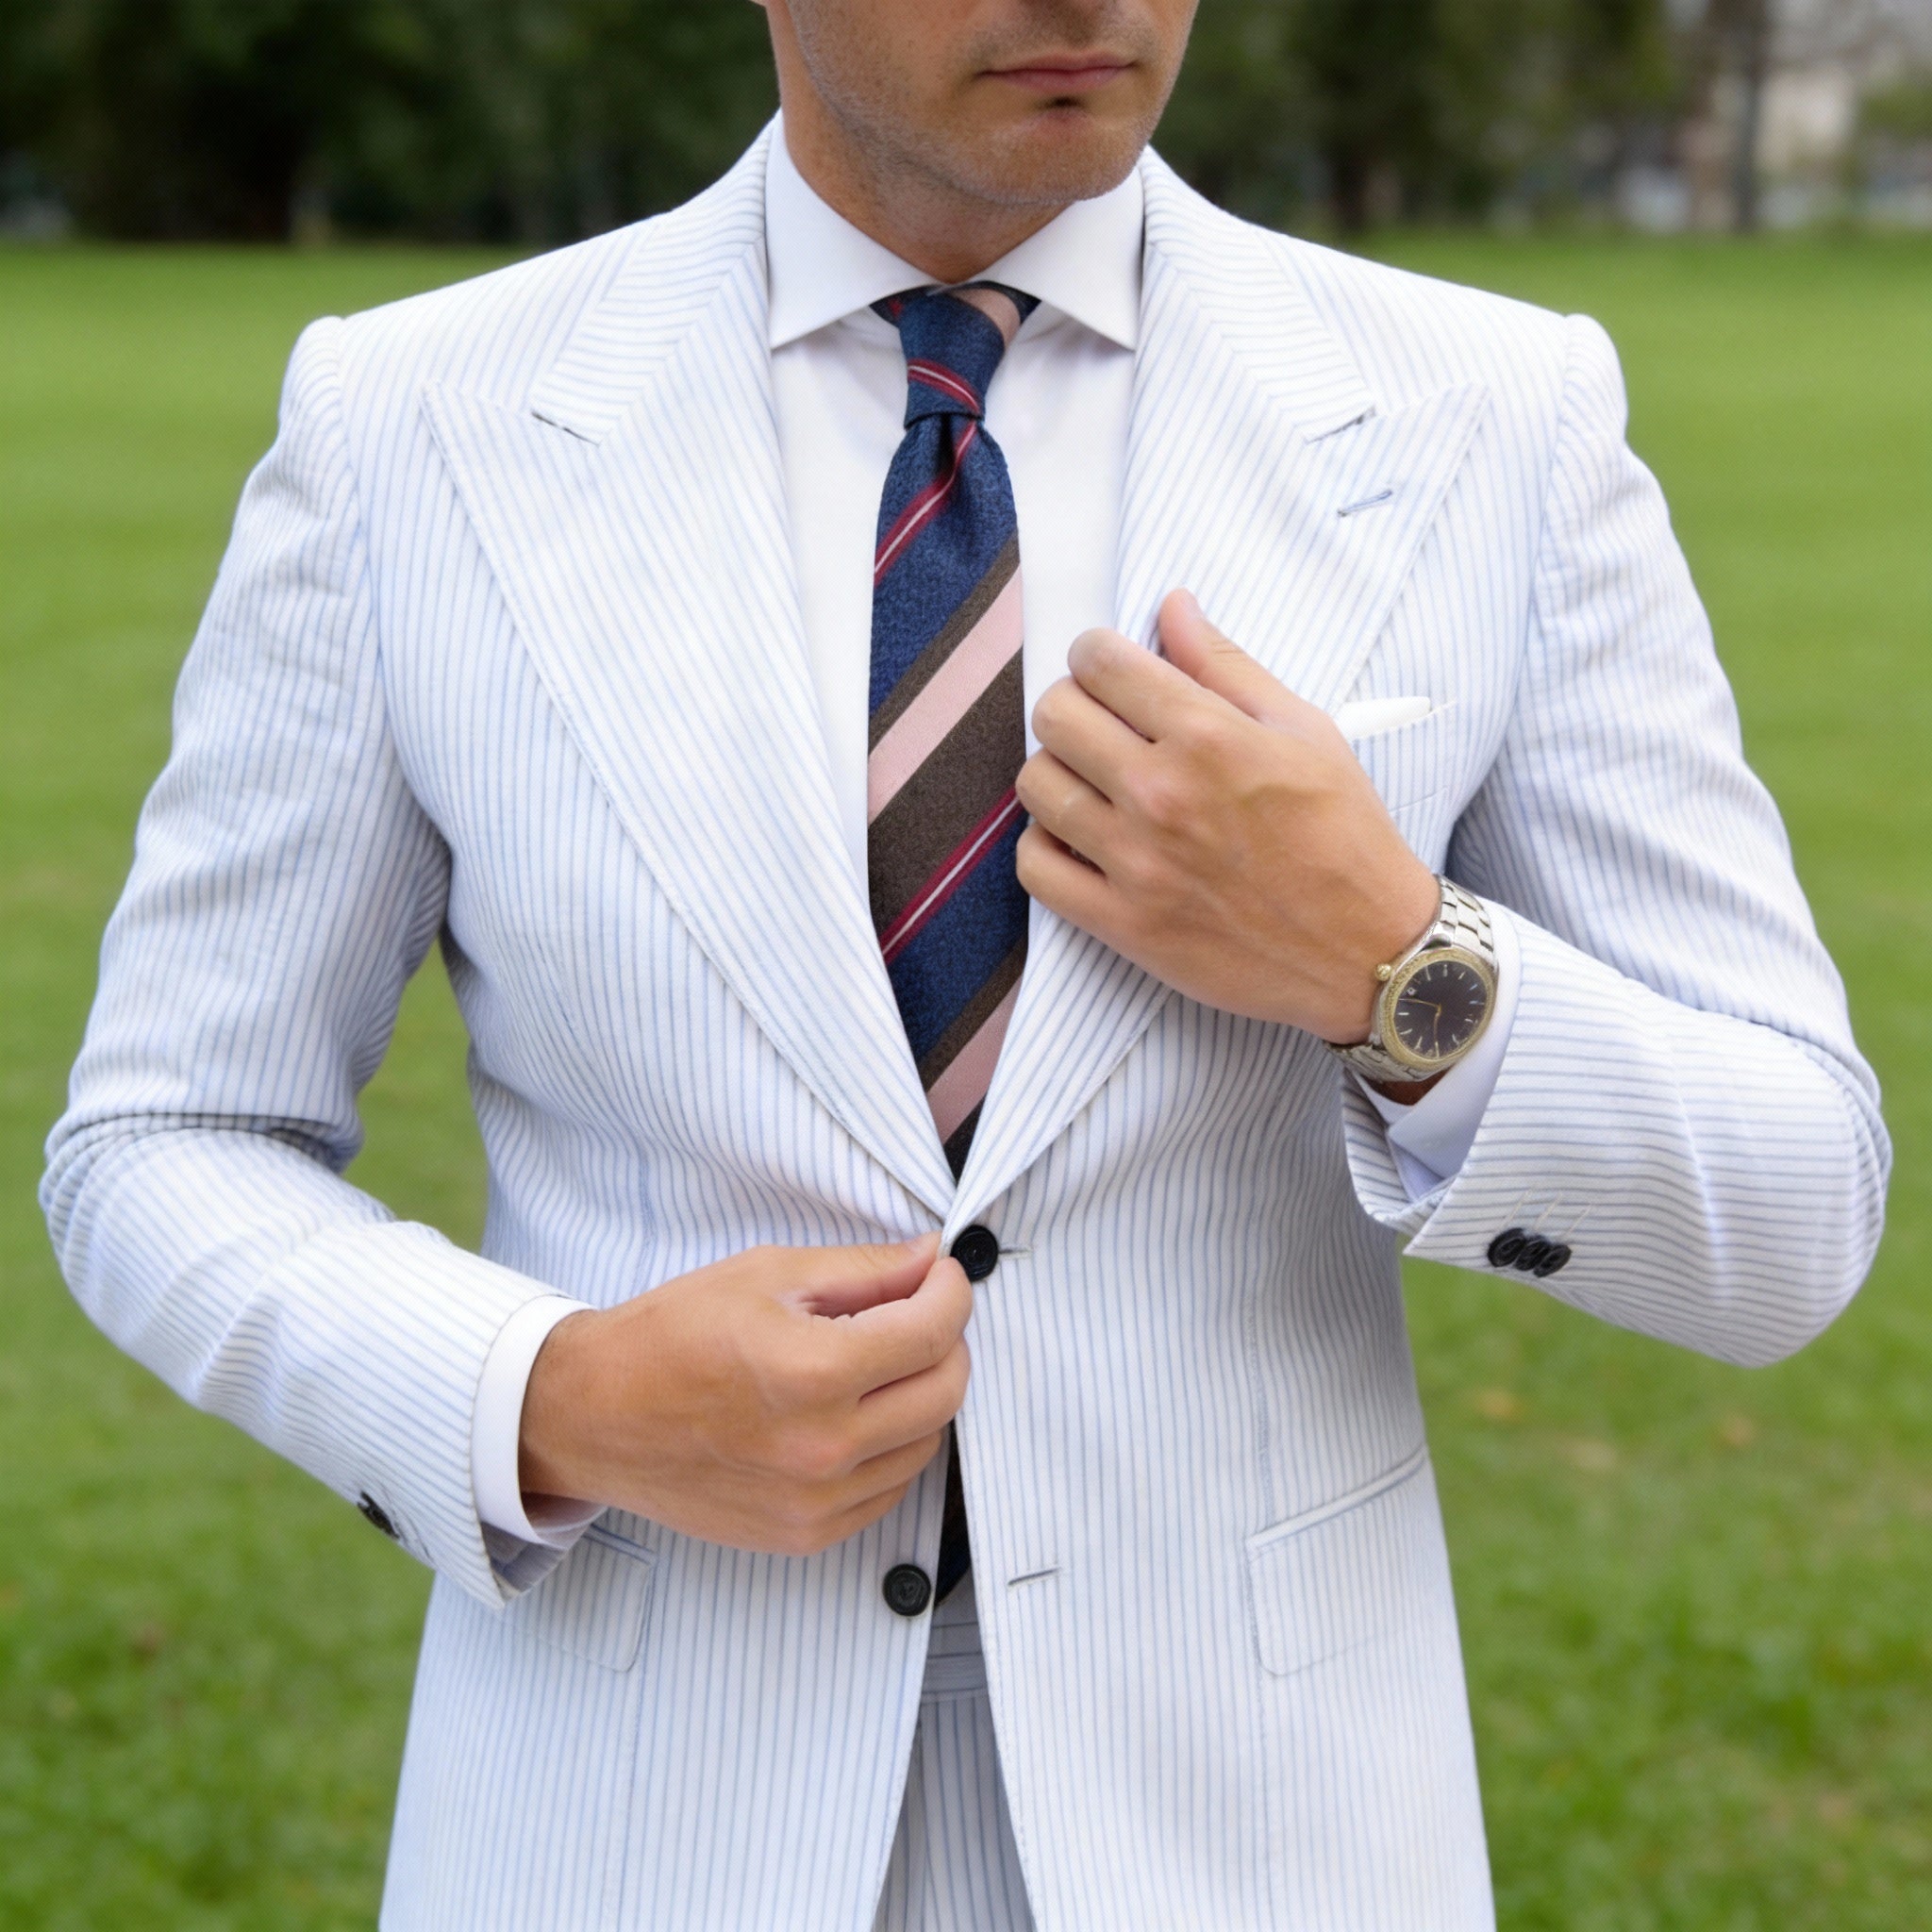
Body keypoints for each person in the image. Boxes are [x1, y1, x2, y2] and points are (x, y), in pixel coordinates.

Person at [43, 1, 1888, 1926]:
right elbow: (166, 1138)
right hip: (627, 1832)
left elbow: (1792, 1210)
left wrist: (1391, 963)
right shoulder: (412, 427)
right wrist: (556, 1394)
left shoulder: (1489, 417)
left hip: (1266, 1840)